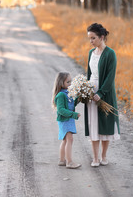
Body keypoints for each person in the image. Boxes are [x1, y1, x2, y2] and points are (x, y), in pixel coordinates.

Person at [85, 23, 120, 167]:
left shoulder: (110, 53)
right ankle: (95, 158)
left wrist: (101, 93)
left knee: (105, 123)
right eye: (89, 38)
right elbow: (89, 74)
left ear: (102, 37)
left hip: (105, 92)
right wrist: (85, 90)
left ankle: (104, 156)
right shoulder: (90, 53)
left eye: (93, 38)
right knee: (93, 124)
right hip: (91, 91)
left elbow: (110, 77)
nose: (91, 41)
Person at [52, 72, 81, 169]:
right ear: (61, 83)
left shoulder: (68, 93)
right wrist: (73, 114)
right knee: (69, 139)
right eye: (68, 82)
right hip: (65, 120)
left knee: (65, 140)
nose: (70, 83)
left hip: (69, 119)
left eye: (71, 81)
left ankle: (62, 160)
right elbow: (61, 110)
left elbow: (71, 104)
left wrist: (78, 98)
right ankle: (69, 162)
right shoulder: (61, 95)